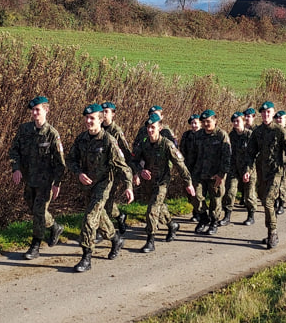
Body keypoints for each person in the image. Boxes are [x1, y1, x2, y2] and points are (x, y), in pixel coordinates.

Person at [66, 104, 134, 272]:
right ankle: (116, 239)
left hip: (104, 185)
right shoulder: (81, 139)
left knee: (90, 219)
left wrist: (128, 186)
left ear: (101, 120)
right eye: (87, 118)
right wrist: (79, 173)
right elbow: (70, 160)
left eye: (92, 119)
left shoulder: (108, 140)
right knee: (101, 217)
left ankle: (86, 257)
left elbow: (123, 166)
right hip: (87, 185)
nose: (89, 121)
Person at [8, 96, 66, 261]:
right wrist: (16, 168)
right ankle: (55, 227)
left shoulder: (52, 134)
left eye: (37, 110)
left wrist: (57, 183)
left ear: (46, 110)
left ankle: (35, 246)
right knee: (34, 209)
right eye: (33, 110)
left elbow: (60, 162)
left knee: (39, 212)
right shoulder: (24, 130)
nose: (34, 113)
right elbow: (14, 151)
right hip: (29, 179)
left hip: (45, 182)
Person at [130, 113, 196, 252]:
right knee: (159, 208)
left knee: (152, 210)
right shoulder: (144, 143)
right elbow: (134, 161)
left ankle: (150, 240)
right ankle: (172, 225)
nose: (150, 130)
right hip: (148, 182)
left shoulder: (167, 144)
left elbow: (180, 164)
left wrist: (188, 183)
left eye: (153, 127)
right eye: (148, 127)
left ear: (160, 128)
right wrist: (140, 171)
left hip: (162, 182)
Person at [245, 101, 286, 249]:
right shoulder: (258, 132)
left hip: (277, 172)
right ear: (260, 114)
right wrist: (248, 170)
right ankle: (270, 231)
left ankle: (273, 232)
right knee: (264, 200)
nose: (266, 115)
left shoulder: (280, 131)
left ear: (273, 114)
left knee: (268, 201)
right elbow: (250, 152)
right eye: (263, 112)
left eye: (269, 112)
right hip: (262, 171)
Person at [192, 110, 231, 235]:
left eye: (208, 121)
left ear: (215, 120)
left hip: (215, 174)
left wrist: (221, 174)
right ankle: (204, 219)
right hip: (199, 172)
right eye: (203, 122)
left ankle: (214, 222)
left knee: (215, 200)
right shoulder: (198, 135)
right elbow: (192, 155)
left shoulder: (221, 135)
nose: (206, 124)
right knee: (196, 197)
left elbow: (227, 157)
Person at [101, 102, 133, 234]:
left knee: (106, 200)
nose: (103, 114)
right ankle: (119, 216)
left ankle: (103, 230)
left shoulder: (116, 132)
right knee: (106, 201)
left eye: (106, 111)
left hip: (114, 172)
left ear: (113, 114)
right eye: (102, 111)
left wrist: (132, 174)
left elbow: (126, 152)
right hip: (100, 172)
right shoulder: (98, 128)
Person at [224, 112, 257, 225]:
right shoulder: (231, 136)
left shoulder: (250, 135)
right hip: (234, 168)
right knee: (230, 191)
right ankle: (227, 216)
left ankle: (251, 215)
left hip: (249, 168)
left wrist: (248, 171)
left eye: (238, 121)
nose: (235, 123)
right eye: (234, 121)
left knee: (249, 194)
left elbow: (254, 155)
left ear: (243, 121)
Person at [179, 113, 203, 225]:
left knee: (197, 191)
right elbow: (182, 149)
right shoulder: (187, 135)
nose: (194, 125)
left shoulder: (203, 134)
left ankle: (201, 213)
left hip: (200, 167)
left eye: (196, 123)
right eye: (192, 123)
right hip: (188, 165)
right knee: (189, 191)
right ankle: (196, 211)